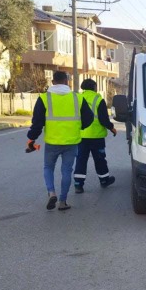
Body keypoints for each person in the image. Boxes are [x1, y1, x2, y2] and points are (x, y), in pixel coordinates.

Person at [26, 70, 94, 211]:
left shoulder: (44, 98)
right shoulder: (77, 98)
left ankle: (51, 192)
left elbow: (37, 122)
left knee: (48, 167)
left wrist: (32, 139)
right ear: (66, 81)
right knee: (66, 171)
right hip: (71, 141)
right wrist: (78, 127)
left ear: (52, 82)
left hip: (52, 141)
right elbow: (89, 118)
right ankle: (63, 202)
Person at [73, 78, 117, 193]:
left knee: (81, 160)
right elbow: (103, 119)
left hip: (81, 136)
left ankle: (78, 184)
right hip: (96, 136)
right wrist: (112, 128)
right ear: (94, 87)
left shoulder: (77, 99)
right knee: (100, 159)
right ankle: (104, 180)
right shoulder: (98, 99)